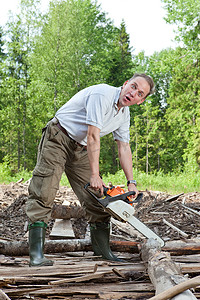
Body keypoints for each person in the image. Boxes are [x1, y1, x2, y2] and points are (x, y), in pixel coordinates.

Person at [26, 73, 155, 267]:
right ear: (125, 83)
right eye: (133, 86)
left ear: (140, 101)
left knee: (98, 197)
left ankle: (102, 251)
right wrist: (95, 174)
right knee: (44, 190)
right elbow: (93, 135)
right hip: (58, 137)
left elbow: (124, 147)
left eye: (139, 93)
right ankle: (36, 256)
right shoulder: (102, 95)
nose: (133, 93)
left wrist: (131, 182)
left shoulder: (123, 115)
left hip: (81, 148)